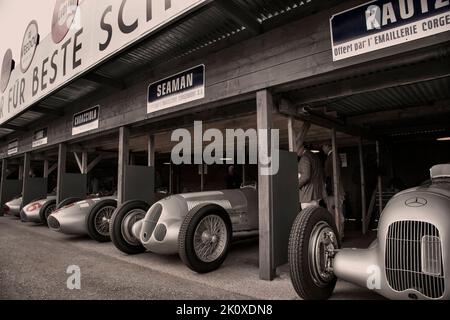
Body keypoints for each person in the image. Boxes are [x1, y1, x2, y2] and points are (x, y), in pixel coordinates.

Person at [322, 142, 345, 237]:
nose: (322, 148)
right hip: (334, 189)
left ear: (328, 146)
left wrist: (329, 188)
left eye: (323, 146)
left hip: (334, 190)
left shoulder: (333, 156)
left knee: (336, 214)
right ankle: (338, 234)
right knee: (335, 213)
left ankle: (338, 234)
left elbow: (332, 175)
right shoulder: (333, 156)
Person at [297, 143, 325, 209]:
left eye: (296, 148)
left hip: (308, 194)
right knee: (315, 216)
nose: (295, 151)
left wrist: (296, 186)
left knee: (307, 217)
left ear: (302, 147)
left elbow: (305, 176)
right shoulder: (315, 156)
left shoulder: (305, 158)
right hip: (317, 192)